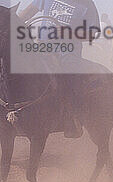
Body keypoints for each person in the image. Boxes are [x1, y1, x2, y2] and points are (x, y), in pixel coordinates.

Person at [18, 0, 100, 138]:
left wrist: (68, 33)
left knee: (69, 78)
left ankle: (72, 119)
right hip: (42, 48)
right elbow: (25, 14)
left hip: (67, 53)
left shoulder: (87, 5)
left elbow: (93, 33)